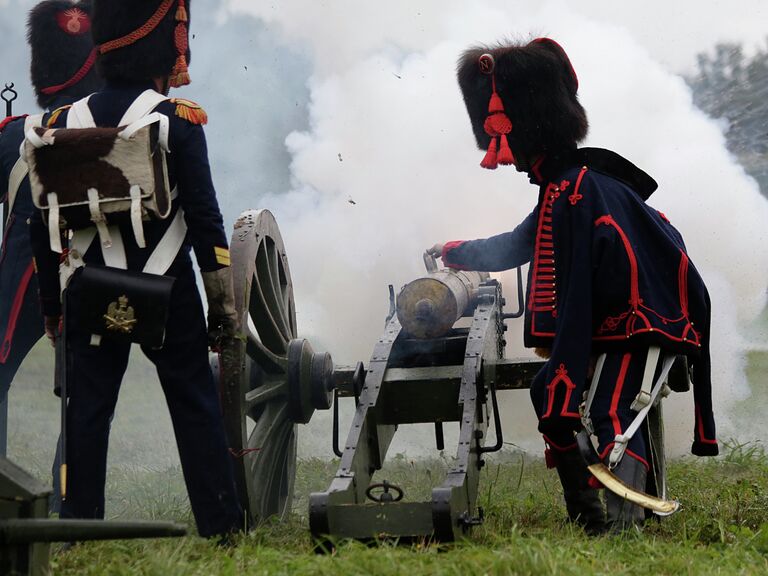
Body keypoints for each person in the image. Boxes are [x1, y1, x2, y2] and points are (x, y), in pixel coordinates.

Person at [430, 38, 718, 533]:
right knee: (551, 396)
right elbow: (517, 245)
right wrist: (455, 252)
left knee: (607, 411)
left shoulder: (577, 188)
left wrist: (567, 358)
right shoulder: (564, 188)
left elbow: (583, 285)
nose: (504, 156)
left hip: (636, 321)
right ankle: (590, 520)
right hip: (615, 321)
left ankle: (628, 524)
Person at [28, 0, 243, 538]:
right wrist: (223, 308)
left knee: (86, 413)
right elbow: (207, 222)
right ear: (164, 50)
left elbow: (41, 228)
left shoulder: (56, 125)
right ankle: (220, 526)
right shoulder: (178, 121)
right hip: (167, 286)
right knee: (194, 404)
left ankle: (78, 527)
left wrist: (54, 314)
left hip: (87, 289)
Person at [0, 0, 103, 458]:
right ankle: (73, 502)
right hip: (100, 275)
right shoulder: (127, 129)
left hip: (22, 280)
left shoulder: (11, 134)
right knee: (88, 396)